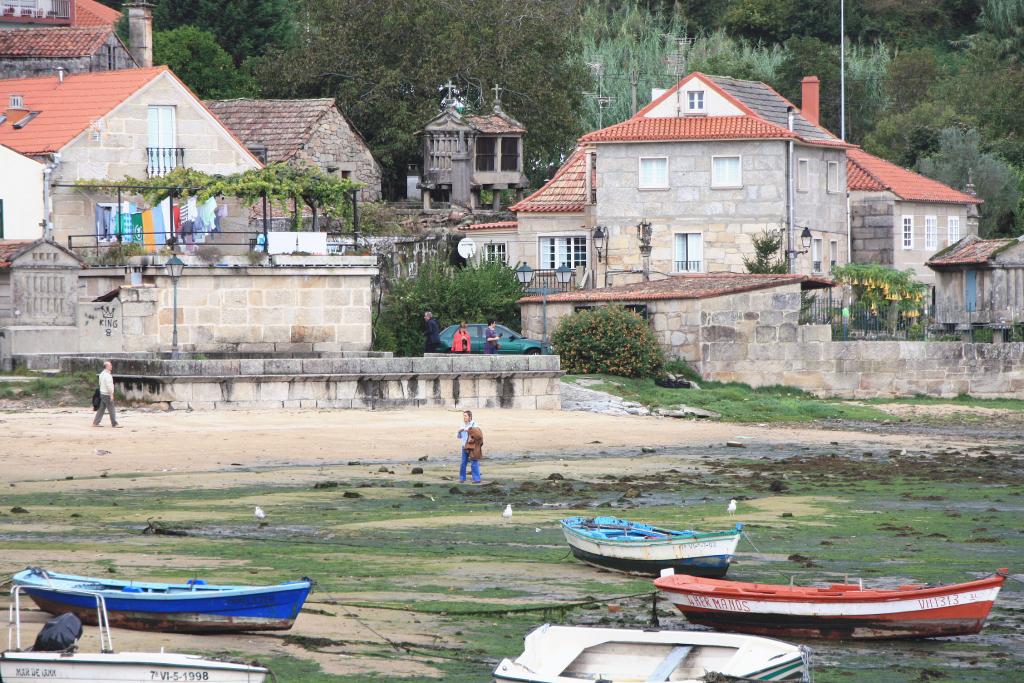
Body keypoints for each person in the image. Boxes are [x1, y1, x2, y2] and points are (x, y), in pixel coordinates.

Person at [92, 361, 120, 428]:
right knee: (111, 409)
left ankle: (96, 422)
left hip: (102, 393)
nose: (111, 366)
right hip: (107, 394)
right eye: (110, 365)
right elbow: (109, 386)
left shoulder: (101, 374)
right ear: (107, 366)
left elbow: (100, 383)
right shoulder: (107, 375)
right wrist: (111, 395)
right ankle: (114, 423)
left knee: (101, 409)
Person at [456, 410, 481, 483]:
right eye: (463, 416)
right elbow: (459, 437)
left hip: (472, 446)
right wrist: (459, 431)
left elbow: (478, 434)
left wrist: (469, 430)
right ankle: (462, 478)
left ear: (470, 417)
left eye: (465, 416)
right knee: (463, 463)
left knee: (474, 462)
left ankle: (476, 479)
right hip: (464, 446)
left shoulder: (474, 424)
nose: (464, 417)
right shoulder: (462, 424)